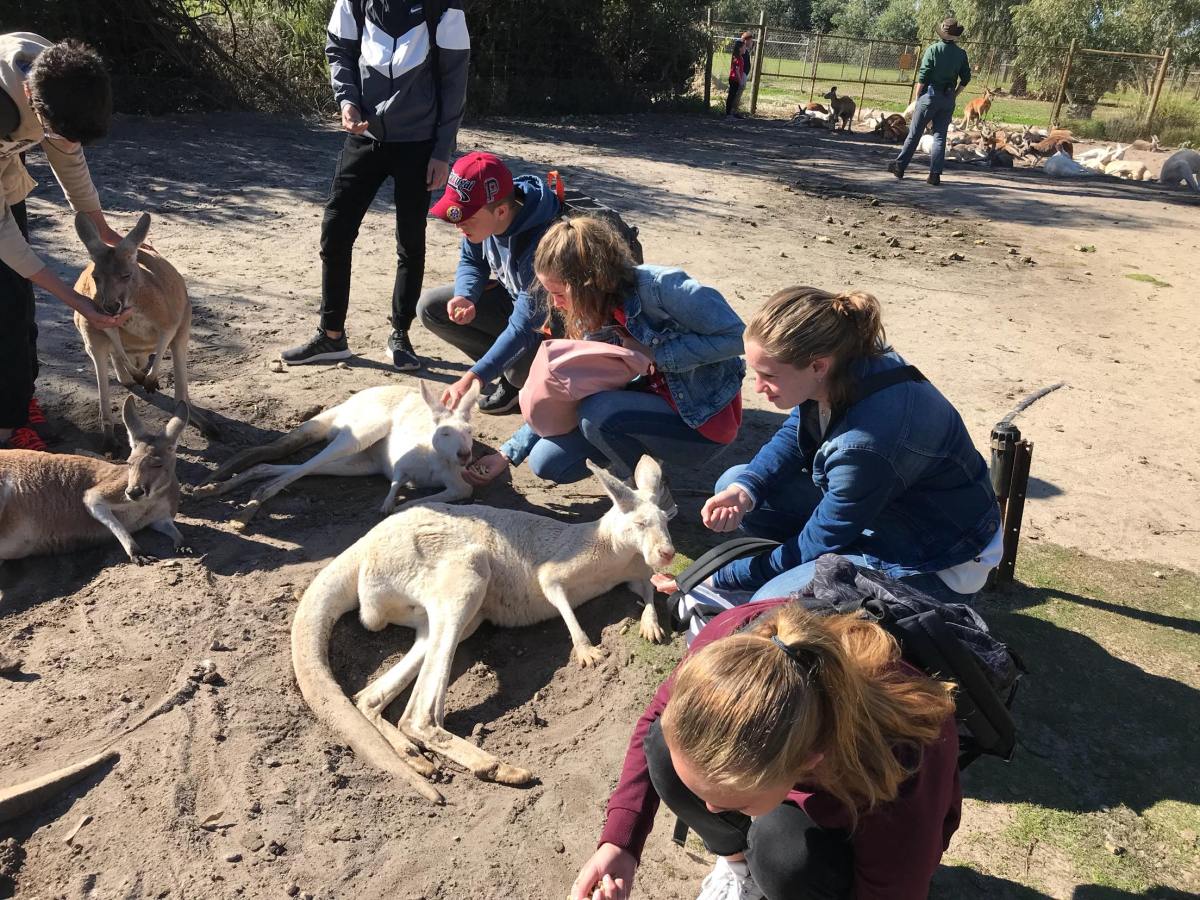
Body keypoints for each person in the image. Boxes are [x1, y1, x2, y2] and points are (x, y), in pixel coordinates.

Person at [570, 599, 962, 900]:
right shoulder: (736, 646)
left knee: (783, 853)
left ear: (807, 764)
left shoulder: (896, 760)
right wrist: (620, 842)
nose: (708, 811)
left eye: (734, 802)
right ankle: (738, 868)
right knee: (661, 746)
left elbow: (894, 891)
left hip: (861, 813)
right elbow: (656, 718)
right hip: (793, 767)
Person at [700, 287, 1000, 605]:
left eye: (768, 375)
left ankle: (892, 584)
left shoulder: (863, 447)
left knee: (770, 600)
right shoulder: (850, 360)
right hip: (884, 512)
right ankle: (836, 562)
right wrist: (747, 488)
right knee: (735, 483)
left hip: (936, 559)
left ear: (818, 366)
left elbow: (821, 538)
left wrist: (724, 577)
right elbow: (798, 431)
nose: (758, 387)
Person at [463, 216, 745, 497]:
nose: (555, 304)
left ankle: (653, 497)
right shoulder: (590, 312)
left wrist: (658, 356)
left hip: (699, 419)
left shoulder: (663, 287)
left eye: (559, 293)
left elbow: (737, 336)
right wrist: (508, 453)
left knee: (597, 412)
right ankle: (634, 452)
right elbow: (571, 389)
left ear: (588, 283)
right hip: (636, 408)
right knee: (548, 461)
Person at [281, 0, 469, 371]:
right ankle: (331, 335)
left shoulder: (444, 7)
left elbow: (455, 80)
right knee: (335, 232)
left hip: (419, 145)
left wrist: (442, 152)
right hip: (365, 137)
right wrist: (347, 100)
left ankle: (400, 334)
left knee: (410, 242)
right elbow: (339, 48)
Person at [1, 33, 130, 452]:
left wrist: (105, 231)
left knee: (17, 298)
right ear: (29, 98)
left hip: (6, 160)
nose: (70, 143)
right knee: (3, 299)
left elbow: (68, 156)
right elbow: (4, 238)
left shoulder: (56, 71)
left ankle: (18, 398)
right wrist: (77, 301)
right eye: (57, 132)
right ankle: (5, 432)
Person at [418, 151, 561, 414]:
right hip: (518, 304)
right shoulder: (488, 213)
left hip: (554, 324)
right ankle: (508, 369)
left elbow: (525, 326)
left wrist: (475, 378)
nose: (458, 224)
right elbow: (472, 261)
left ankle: (520, 380)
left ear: (501, 211)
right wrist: (466, 294)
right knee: (430, 308)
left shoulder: (544, 244)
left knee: (519, 370)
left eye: (467, 217)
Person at [889, 18, 972, 186]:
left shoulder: (933, 49)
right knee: (940, 137)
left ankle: (900, 167)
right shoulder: (961, 54)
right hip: (948, 99)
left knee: (915, 133)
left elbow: (923, 76)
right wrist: (954, 94)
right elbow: (966, 78)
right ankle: (934, 175)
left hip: (930, 96)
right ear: (955, 35)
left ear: (942, 33)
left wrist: (917, 97)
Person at [725, 32, 754, 120]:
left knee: (736, 94)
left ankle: (734, 112)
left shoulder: (742, 53)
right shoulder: (739, 55)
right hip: (737, 78)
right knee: (733, 95)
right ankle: (730, 113)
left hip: (740, 77)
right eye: (750, 41)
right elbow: (737, 69)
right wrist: (741, 79)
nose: (751, 42)